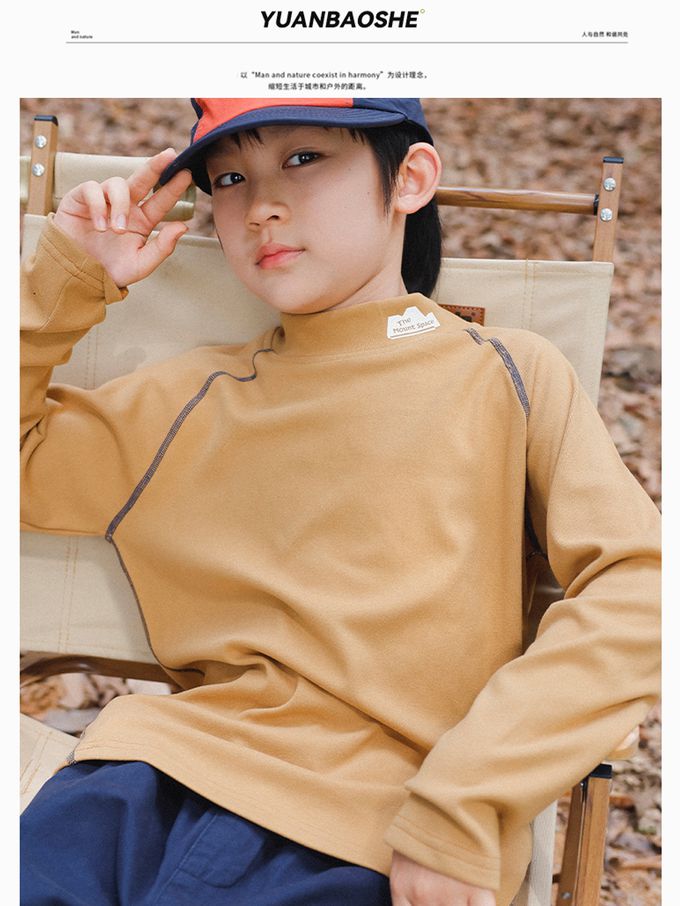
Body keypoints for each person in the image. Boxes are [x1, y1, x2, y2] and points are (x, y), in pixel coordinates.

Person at [20, 98, 660, 906]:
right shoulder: (191, 397)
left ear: (410, 180)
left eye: (303, 159)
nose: (261, 205)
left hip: (375, 833)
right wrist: (66, 277)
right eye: (229, 179)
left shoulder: (505, 375)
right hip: (136, 791)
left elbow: (641, 588)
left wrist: (464, 805)